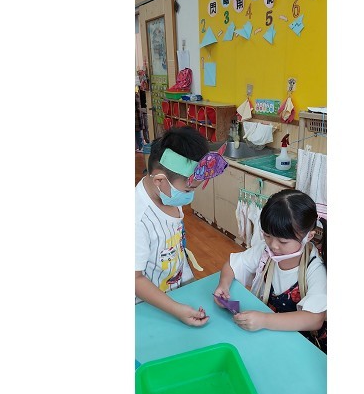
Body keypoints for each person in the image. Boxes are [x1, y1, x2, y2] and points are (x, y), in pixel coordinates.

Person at [213, 189, 328, 352]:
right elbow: (232, 265)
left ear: (308, 237)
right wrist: (223, 285)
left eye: (283, 241)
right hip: (265, 334)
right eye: (267, 235)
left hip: (299, 344)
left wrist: (264, 320)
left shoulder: (315, 267)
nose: (273, 245)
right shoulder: (265, 251)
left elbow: (314, 319)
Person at [135, 127, 223, 326]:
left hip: (175, 296)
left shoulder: (168, 195)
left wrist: (188, 284)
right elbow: (135, 279)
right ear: (159, 180)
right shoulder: (137, 220)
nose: (190, 195)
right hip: (147, 310)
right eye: (188, 189)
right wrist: (175, 309)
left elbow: (176, 247)